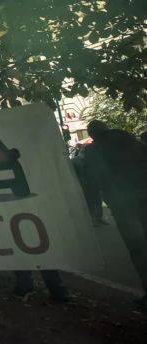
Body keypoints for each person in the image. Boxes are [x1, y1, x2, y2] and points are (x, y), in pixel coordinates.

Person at [82, 120, 147, 306]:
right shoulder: (130, 140)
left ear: (92, 135)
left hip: (122, 205)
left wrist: (90, 206)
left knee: (138, 249)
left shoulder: (94, 151)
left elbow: (91, 181)